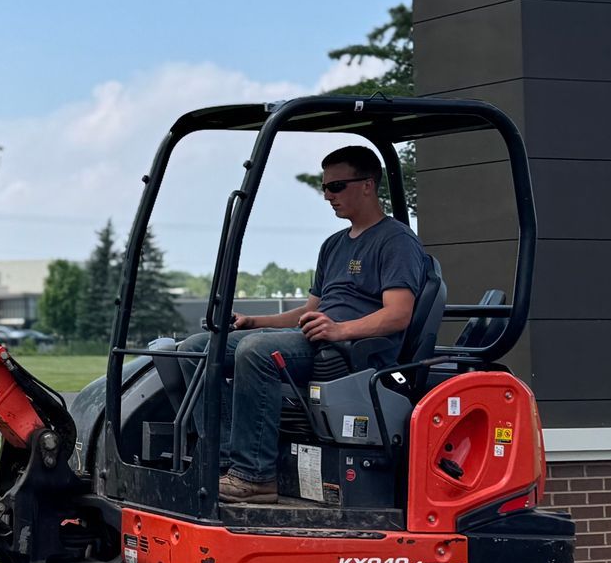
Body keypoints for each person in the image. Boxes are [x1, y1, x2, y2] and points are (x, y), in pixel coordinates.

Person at [179, 146, 428, 504]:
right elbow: (310, 311)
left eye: (337, 186)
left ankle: (255, 477)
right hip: (317, 339)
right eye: (325, 187)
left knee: (257, 352)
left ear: (368, 185)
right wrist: (253, 321)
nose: (328, 195)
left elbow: (398, 313)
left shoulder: (396, 241)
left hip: (352, 352)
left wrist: (340, 330)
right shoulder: (334, 245)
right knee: (198, 348)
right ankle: (223, 465)